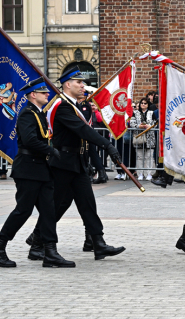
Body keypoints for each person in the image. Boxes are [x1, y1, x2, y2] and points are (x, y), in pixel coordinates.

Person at [25, 70, 126, 261]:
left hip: (76, 162)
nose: (83, 86)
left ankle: (98, 243)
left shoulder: (73, 106)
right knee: (56, 205)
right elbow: (82, 130)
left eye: (83, 82)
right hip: (62, 163)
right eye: (79, 82)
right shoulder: (62, 107)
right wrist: (107, 145)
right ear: (67, 85)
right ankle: (37, 242)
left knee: (87, 203)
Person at [0, 78, 73, 268]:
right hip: (28, 168)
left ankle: (49, 251)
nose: (47, 94)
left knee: (49, 212)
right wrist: (51, 151)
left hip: (41, 169)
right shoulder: (27, 114)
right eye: (43, 93)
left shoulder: (38, 113)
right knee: (23, 210)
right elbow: (29, 139)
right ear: (33, 95)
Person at [129, 98, 157, 181]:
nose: (143, 105)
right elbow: (132, 123)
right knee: (140, 157)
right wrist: (139, 126)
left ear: (148, 104)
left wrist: (149, 126)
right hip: (139, 137)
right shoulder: (135, 113)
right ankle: (140, 173)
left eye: (145, 103)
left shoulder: (151, 113)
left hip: (150, 137)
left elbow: (155, 123)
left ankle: (149, 173)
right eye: (142, 103)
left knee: (149, 157)